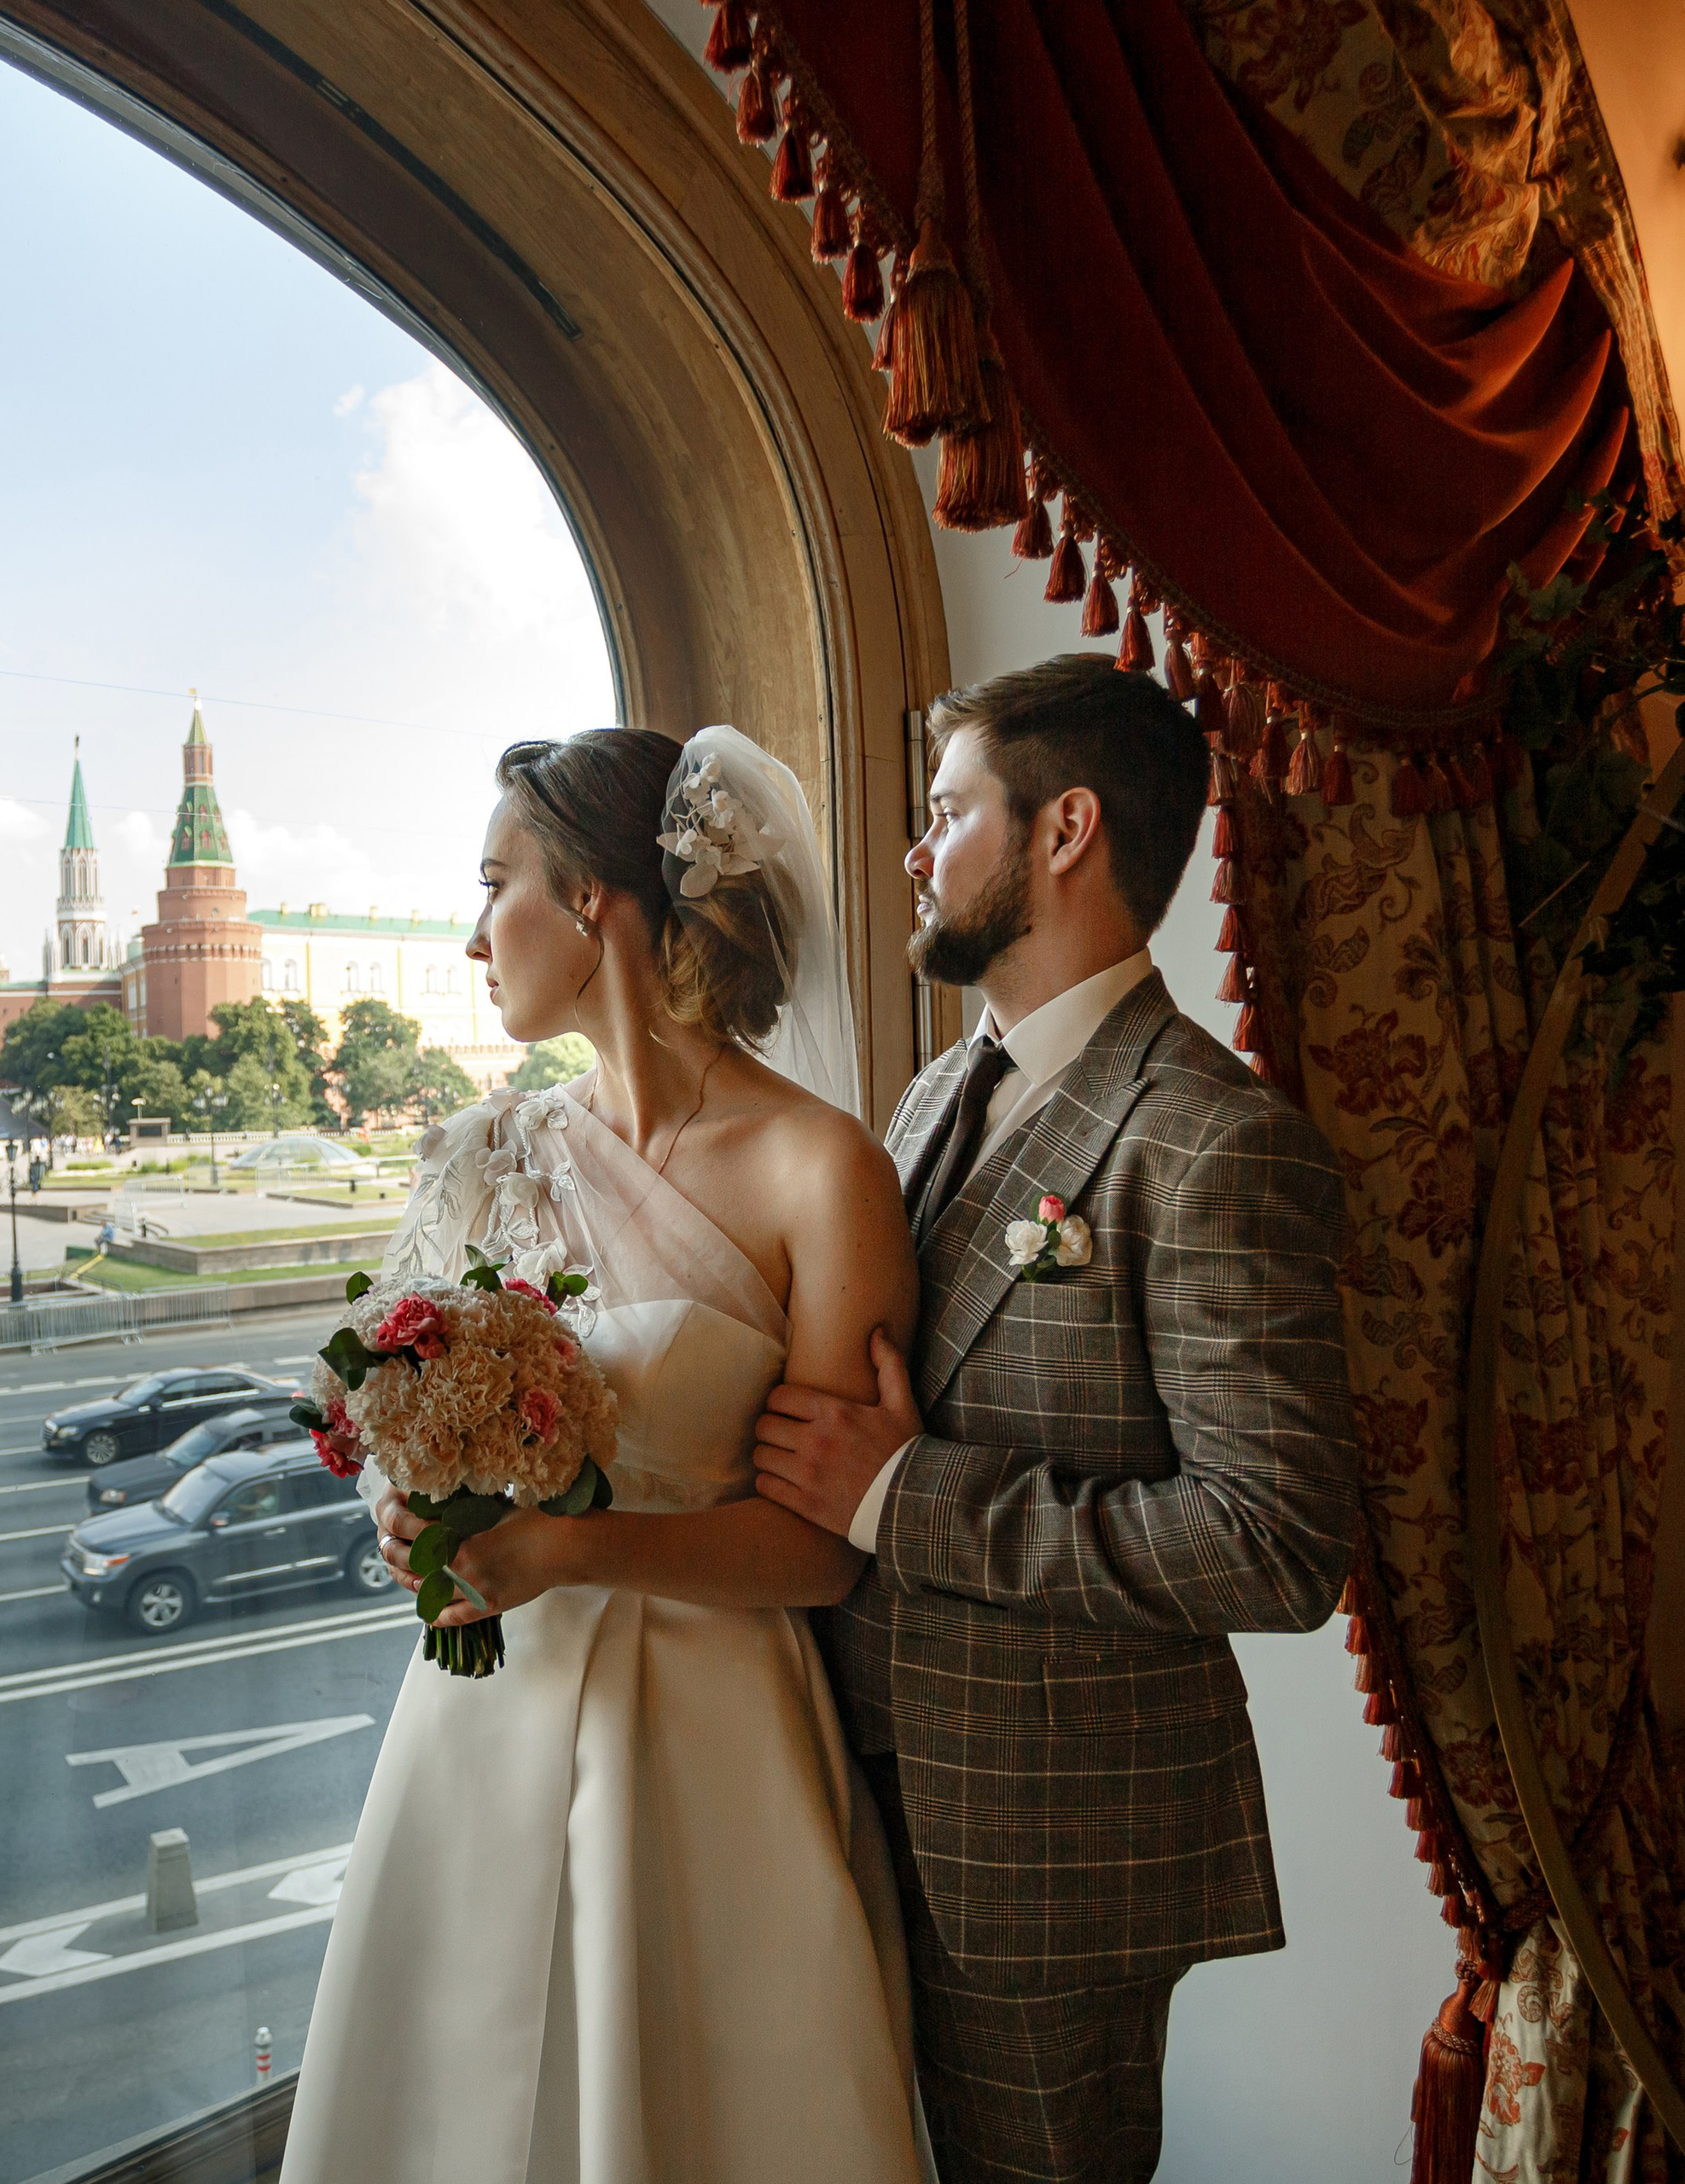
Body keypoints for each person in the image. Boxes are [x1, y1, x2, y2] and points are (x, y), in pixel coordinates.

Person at [282, 728, 929, 2184]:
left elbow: (824, 1545)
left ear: (593, 905)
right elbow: (400, 1422)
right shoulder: (482, 1153)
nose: (468, 933)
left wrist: (568, 1549)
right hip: (478, 1724)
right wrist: (412, 1522)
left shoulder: (821, 1171)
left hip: (713, 1736)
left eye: (495, 882)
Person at [752, 656, 1362, 2184]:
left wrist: (910, 1501)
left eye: (949, 810)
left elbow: (1276, 1546)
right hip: (836, 1794)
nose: (914, 849)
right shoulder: (929, 1096)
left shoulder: (1214, 1145)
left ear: (1064, 828)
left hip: (1048, 1854)